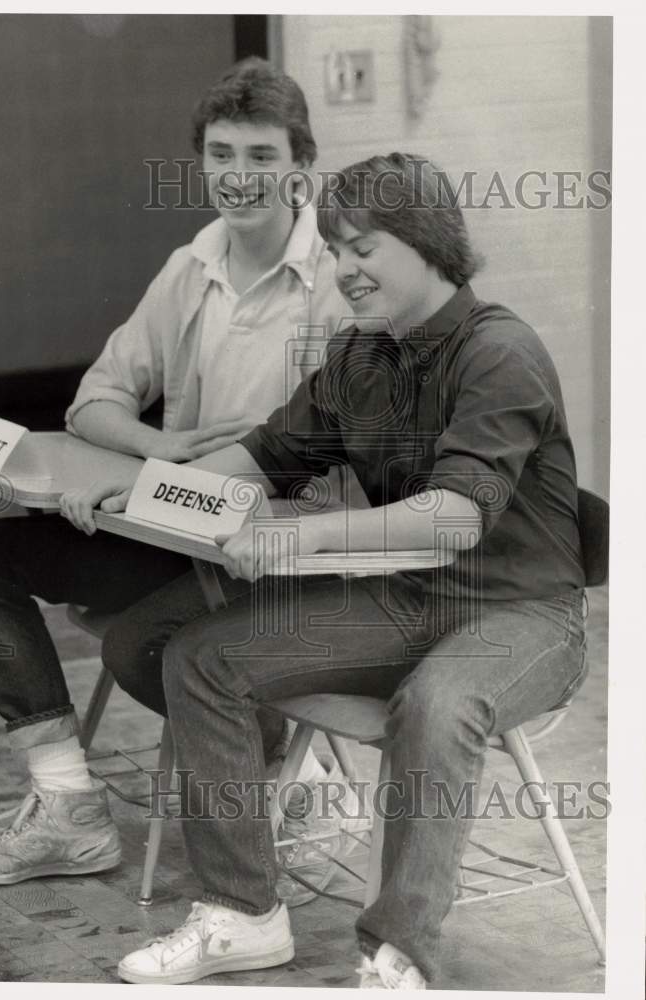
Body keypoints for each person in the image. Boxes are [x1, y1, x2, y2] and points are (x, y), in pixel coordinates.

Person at [108, 152, 588, 988]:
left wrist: (305, 540)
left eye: (363, 248)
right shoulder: (361, 354)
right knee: (203, 655)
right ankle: (243, 913)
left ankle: (398, 951)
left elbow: (455, 516)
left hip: (527, 613)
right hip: (413, 597)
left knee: (438, 703)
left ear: (428, 242)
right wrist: (143, 491)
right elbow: (262, 456)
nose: (344, 269)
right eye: (335, 251)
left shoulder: (501, 351)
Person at [0, 58, 349, 891]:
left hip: (283, 555)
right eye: (222, 155)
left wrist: (192, 469)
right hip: (178, 530)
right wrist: (168, 449)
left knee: (140, 647)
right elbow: (96, 401)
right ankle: (69, 812)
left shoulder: (340, 282)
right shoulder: (190, 266)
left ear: (302, 166)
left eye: (262, 157)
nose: (239, 178)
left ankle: (300, 776)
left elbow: (321, 458)